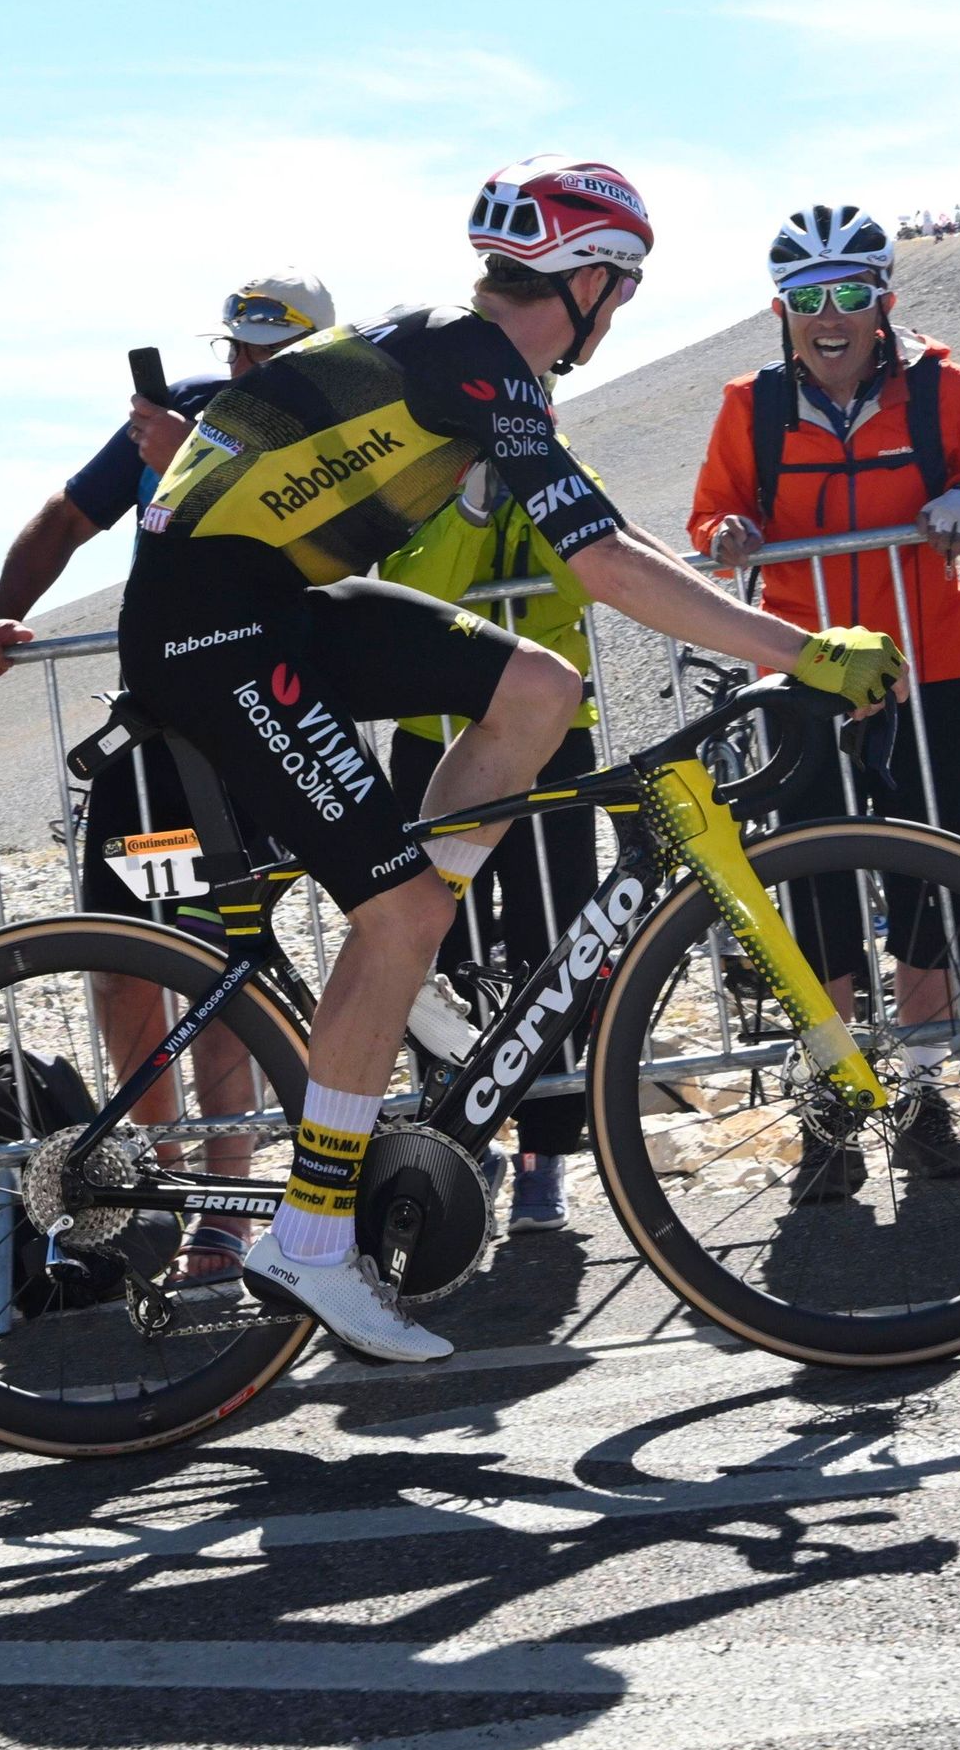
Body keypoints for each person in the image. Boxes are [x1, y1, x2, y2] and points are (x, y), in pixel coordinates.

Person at [122, 160, 899, 1363]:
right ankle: (312, 1236)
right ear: (586, 278)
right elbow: (604, 573)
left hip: (272, 599)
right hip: (209, 627)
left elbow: (603, 530)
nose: (621, 309)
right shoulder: (469, 358)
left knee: (540, 685)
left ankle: (419, 941)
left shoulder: (473, 363)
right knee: (396, 916)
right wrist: (797, 649)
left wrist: (768, 638)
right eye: (624, 289)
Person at [0, 272, 335, 1277]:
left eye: (271, 351)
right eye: (240, 348)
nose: (249, 366)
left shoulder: (336, 422)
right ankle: (155, 1192)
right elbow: (66, 515)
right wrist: (1, 608)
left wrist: (197, 466)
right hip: (156, 741)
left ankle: (227, 1206)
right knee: (130, 961)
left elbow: (312, 550)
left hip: (253, 727)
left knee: (219, 961)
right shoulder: (190, 410)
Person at [685, 205, 960, 1028]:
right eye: (808, 300)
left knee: (934, 867)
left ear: (885, 302)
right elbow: (712, 514)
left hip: (927, 664)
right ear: (781, 314)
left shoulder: (946, 387)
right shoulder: (751, 406)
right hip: (804, 668)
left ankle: (924, 1077)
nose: (828, 318)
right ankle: (834, 1086)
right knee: (815, 878)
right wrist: (729, 536)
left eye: (848, 294)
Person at [376, 466, 599, 1230]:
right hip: (432, 747)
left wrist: (531, 482)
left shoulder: (566, 473)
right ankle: (458, 1146)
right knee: (434, 954)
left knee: (556, 946)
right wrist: (468, 505)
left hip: (551, 740)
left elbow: (578, 581)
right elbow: (418, 591)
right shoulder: (416, 481)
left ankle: (546, 1155)